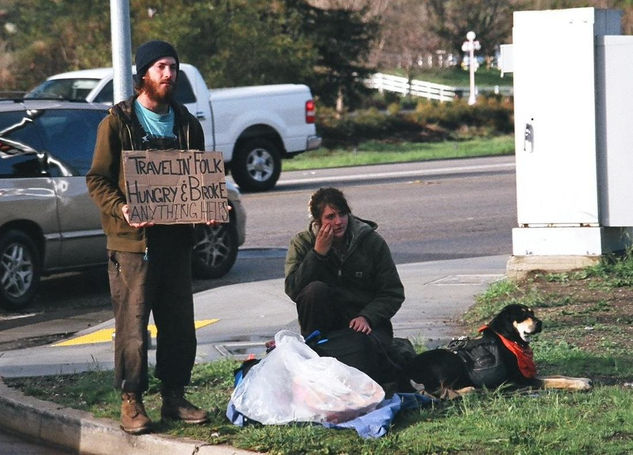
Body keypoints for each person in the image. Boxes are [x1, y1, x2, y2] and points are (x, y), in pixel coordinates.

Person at [86, 40, 214, 434]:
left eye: (173, 66)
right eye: (160, 67)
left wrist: (207, 207)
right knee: (132, 326)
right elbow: (97, 179)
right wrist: (122, 207)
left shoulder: (188, 125)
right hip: (132, 246)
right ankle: (132, 402)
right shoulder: (118, 122)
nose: (169, 74)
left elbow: (197, 180)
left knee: (179, 324)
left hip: (176, 244)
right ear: (143, 73)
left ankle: (174, 396)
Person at [284, 187, 405, 383]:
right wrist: (317, 254)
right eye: (330, 217)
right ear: (317, 221)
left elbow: (392, 292)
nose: (338, 222)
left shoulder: (370, 242)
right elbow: (293, 289)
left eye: (342, 214)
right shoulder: (302, 242)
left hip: (364, 324)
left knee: (364, 352)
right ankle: (314, 351)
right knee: (315, 291)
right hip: (325, 325)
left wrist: (368, 316)